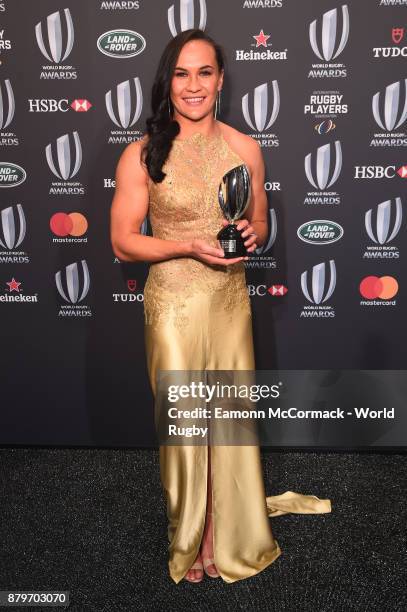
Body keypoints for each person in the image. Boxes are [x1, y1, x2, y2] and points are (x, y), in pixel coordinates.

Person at [110, 28, 332, 584]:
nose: (193, 85)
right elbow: (122, 241)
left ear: (220, 80)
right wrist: (187, 244)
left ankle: (225, 533)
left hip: (229, 301)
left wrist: (253, 235)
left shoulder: (244, 148)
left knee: (228, 420)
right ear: (168, 82)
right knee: (185, 423)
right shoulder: (142, 153)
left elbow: (256, 221)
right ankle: (189, 536)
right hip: (173, 303)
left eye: (204, 72)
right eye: (181, 74)